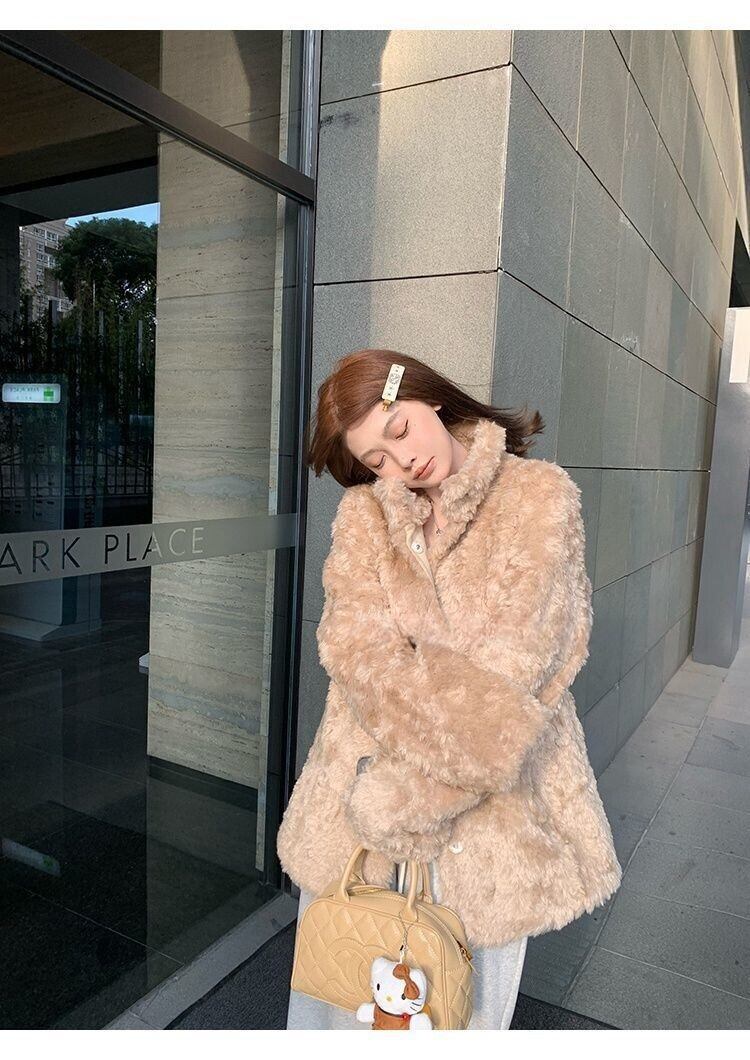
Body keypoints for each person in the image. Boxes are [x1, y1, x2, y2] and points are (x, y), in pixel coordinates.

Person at [278, 349, 622, 1030]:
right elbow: (353, 646)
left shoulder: (538, 497)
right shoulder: (365, 516)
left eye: (400, 430)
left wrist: (408, 795)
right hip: (361, 794)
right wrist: (442, 695)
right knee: (342, 992)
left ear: (428, 396)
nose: (401, 462)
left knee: (463, 1010)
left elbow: (521, 667)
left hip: (483, 814)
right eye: (376, 459)